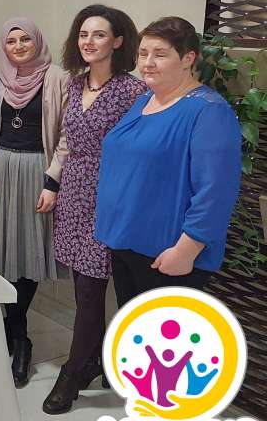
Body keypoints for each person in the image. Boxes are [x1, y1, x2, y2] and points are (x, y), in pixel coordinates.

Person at [42, 5, 145, 414]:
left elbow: (140, 150)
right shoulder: (75, 83)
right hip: (73, 194)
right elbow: (67, 142)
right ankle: (95, 359)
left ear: (117, 41)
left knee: (91, 289)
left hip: (109, 197)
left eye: (99, 34)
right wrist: (52, 183)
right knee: (83, 285)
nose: (89, 41)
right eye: (84, 34)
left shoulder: (132, 91)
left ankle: (71, 374)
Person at [95, 17, 241, 303]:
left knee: (161, 330)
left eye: (160, 54)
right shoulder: (145, 100)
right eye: (143, 53)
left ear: (188, 59)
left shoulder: (209, 112)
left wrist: (187, 249)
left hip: (167, 253)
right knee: (134, 325)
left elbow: (216, 191)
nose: (147, 63)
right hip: (126, 241)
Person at [0, 18, 67, 388]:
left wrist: (52, 181)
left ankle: (19, 334)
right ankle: (3, 329)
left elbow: (67, 135)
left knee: (27, 253)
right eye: (12, 40)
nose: (19, 46)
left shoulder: (57, 78)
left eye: (26, 39)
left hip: (37, 171)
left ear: (37, 41)